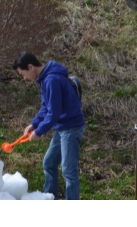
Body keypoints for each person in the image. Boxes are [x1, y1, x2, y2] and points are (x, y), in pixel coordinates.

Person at [12, 51, 85, 200]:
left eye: (23, 74)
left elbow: (54, 113)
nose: (24, 78)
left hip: (71, 128)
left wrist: (39, 131)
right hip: (62, 128)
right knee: (49, 163)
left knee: (68, 172)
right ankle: (49, 199)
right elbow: (46, 107)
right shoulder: (45, 78)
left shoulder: (51, 80)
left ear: (31, 67)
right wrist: (34, 124)